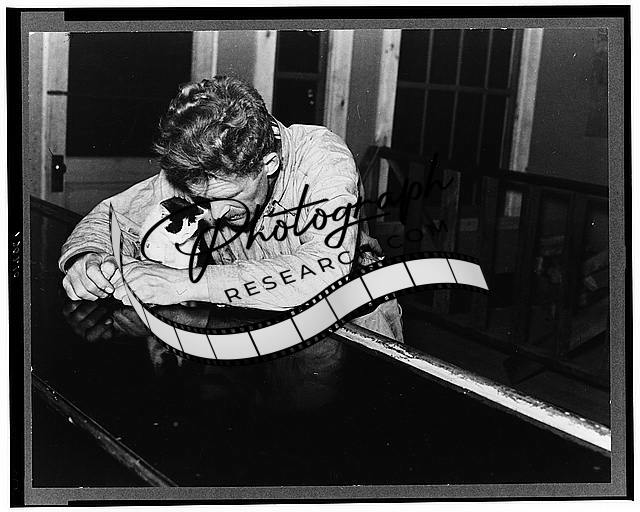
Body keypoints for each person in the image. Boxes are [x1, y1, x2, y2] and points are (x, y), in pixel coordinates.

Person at [59, 76, 403, 341]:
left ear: (268, 163)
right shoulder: (200, 171)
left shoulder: (323, 157)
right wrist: (88, 259)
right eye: (203, 201)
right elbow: (111, 217)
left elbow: (325, 270)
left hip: (350, 326)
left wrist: (183, 283)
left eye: (231, 197)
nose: (215, 215)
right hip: (250, 321)